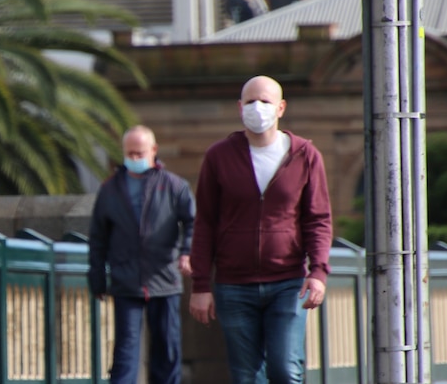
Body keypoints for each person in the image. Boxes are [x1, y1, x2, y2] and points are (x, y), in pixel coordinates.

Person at [188, 75, 333, 384]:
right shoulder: (219, 156)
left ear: (280, 108)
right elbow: (205, 223)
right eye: (250, 101)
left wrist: (318, 272)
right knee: (246, 376)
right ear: (239, 108)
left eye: (265, 101)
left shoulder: (305, 155)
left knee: (285, 370)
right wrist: (201, 285)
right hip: (233, 284)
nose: (258, 108)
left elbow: (318, 219)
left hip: (287, 282)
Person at [88, 125, 196, 384]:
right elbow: (98, 238)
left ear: (153, 151)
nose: (134, 159)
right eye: (130, 153)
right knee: (125, 353)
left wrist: (187, 252)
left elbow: (193, 222)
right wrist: (97, 279)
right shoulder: (110, 190)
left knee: (167, 351)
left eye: (140, 153)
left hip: (165, 280)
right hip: (126, 282)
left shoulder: (174, 185)